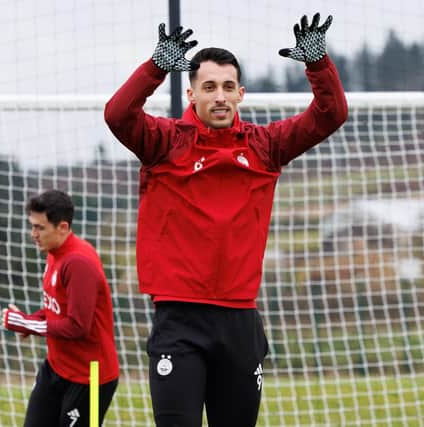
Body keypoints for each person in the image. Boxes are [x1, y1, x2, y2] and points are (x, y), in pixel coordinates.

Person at [104, 14, 347, 427]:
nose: (219, 96)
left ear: (241, 94)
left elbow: (331, 114)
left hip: (239, 322)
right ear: (191, 94)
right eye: (209, 87)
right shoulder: (164, 143)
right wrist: (156, 66)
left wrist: (318, 63)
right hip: (179, 321)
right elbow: (118, 114)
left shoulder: (265, 146)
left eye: (228, 87)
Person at [1, 189, 119, 427]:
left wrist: (24, 323)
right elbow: (56, 309)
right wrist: (29, 320)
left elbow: (77, 327)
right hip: (56, 368)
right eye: (32, 226)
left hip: (90, 378)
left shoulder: (78, 262)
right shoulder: (54, 252)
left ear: (62, 227)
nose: (33, 234)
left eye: (40, 228)